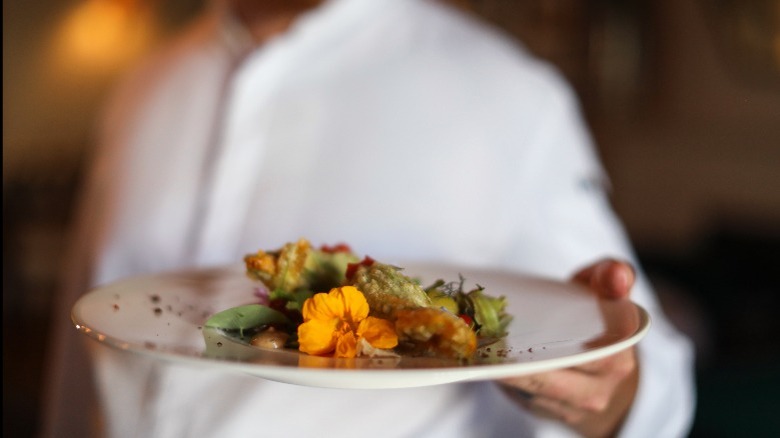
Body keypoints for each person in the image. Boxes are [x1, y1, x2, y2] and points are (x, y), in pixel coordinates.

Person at [42, 0, 695, 437]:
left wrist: (613, 397)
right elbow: (82, 341)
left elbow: (660, 388)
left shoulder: (508, 92)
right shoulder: (144, 85)